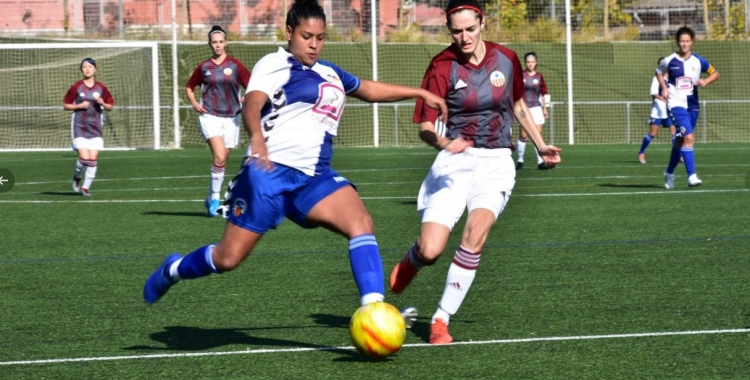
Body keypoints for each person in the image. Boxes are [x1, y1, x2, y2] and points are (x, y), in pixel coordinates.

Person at [143, 0, 447, 325]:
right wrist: (256, 136)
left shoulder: (330, 72)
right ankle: (174, 269)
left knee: (361, 223)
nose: (314, 44)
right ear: (289, 32)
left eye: (320, 37)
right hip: (267, 176)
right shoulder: (274, 64)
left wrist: (418, 92)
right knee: (227, 258)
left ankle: (373, 311)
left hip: (314, 179)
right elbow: (253, 102)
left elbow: (368, 89)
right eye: (306, 36)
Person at [388, 0, 561, 345]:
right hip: (453, 162)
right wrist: (441, 142)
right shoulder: (441, 65)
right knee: (432, 249)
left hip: (496, 161)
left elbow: (517, 105)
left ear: (483, 22)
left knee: (476, 234)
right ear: (449, 29)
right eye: (456, 31)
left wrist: (540, 144)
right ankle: (414, 259)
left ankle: (440, 319)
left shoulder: (507, 59)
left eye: (470, 28)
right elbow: (424, 124)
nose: (464, 37)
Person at [186, 25, 251, 217]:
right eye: (214, 42)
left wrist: (247, 98)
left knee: (222, 160)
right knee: (220, 156)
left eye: (221, 41)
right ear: (209, 44)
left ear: (226, 43)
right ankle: (215, 198)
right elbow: (189, 87)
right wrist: (194, 103)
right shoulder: (204, 67)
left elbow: (253, 85)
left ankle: (209, 198)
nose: (218, 45)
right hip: (210, 115)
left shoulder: (236, 66)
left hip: (232, 118)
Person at [657, 26, 719, 188]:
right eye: (681, 41)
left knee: (680, 141)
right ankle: (692, 176)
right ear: (678, 42)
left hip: (693, 105)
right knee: (689, 138)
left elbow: (715, 73)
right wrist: (664, 87)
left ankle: (669, 172)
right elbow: (658, 72)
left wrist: (706, 81)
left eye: (687, 41)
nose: (684, 44)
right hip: (676, 103)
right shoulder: (669, 60)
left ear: (692, 42)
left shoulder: (699, 61)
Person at [63, 58, 115, 196]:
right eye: (84, 67)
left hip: (96, 127)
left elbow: (110, 106)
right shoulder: (76, 87)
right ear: (81, 69)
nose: (87, 69)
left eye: (90, 66)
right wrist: (79, 106)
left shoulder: (101, 88)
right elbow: (66, 105)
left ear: (95, 69)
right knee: (85, 159)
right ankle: (77, 177)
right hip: (79, 126)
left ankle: (86, 188)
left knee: (93, 160)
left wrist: (103, 103)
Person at [515, 51, 550, 170]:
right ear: (525, 63)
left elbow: (544, 92)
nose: (530, 64)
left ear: (536, 63)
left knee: (538, 135)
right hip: (524, 108)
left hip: (536, 108)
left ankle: (540, 162)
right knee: (523, 135)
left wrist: (545, 108)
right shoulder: (521, 75)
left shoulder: (539, 76)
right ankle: (520, 160)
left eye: (532, 62)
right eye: (528, 62)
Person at [638, 57, 675, 164]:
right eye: (661, 64)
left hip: (670, 109)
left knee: (674, 133)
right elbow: (654, 93)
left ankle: (680, 155)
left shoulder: (672, 78)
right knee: (653, 133)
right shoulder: (656, 78)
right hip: (658, 110)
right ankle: (641, 152)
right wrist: (662, 98)